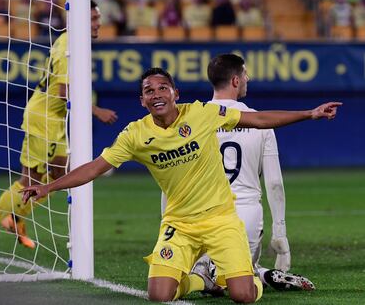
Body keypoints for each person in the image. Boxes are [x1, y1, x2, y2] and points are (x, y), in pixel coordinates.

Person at [21, 64, 340, 302]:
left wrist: (309, 113)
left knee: (243, 295)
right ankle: (206, 282)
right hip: (180, 223)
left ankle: (260, 277)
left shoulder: (202, 113)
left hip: (221, 219)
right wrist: (49, 187)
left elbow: (258, 120)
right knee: (160, 294)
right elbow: (95, 167)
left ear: (175, 93)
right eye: (149, 91)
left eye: (162, 88)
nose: (156, 94)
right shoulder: (135, 135)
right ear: (142, 100)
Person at [0, 0, 118, 258]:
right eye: (92, 19)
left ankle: (13, 217)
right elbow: (62, 91)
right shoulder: (68, 45)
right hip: (44, 119)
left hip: (52, 119)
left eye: (97, 18)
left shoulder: (73, 43)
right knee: (36, 181)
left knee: (59, 176)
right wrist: (96, 110)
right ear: (77, 21)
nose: (98, 23)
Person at [161, 53, 315, 291]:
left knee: (196, 275)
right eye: (245, 74)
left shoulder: (190, 121)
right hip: (246, 219)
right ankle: (257, 274)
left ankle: (210, 272)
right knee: (240, 278)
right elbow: (274, 184)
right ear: (235, 80)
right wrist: (280, 234)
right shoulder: (261, 123)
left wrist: (167, 226)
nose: (248, 78)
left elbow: (172, 182)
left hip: (198, 218)